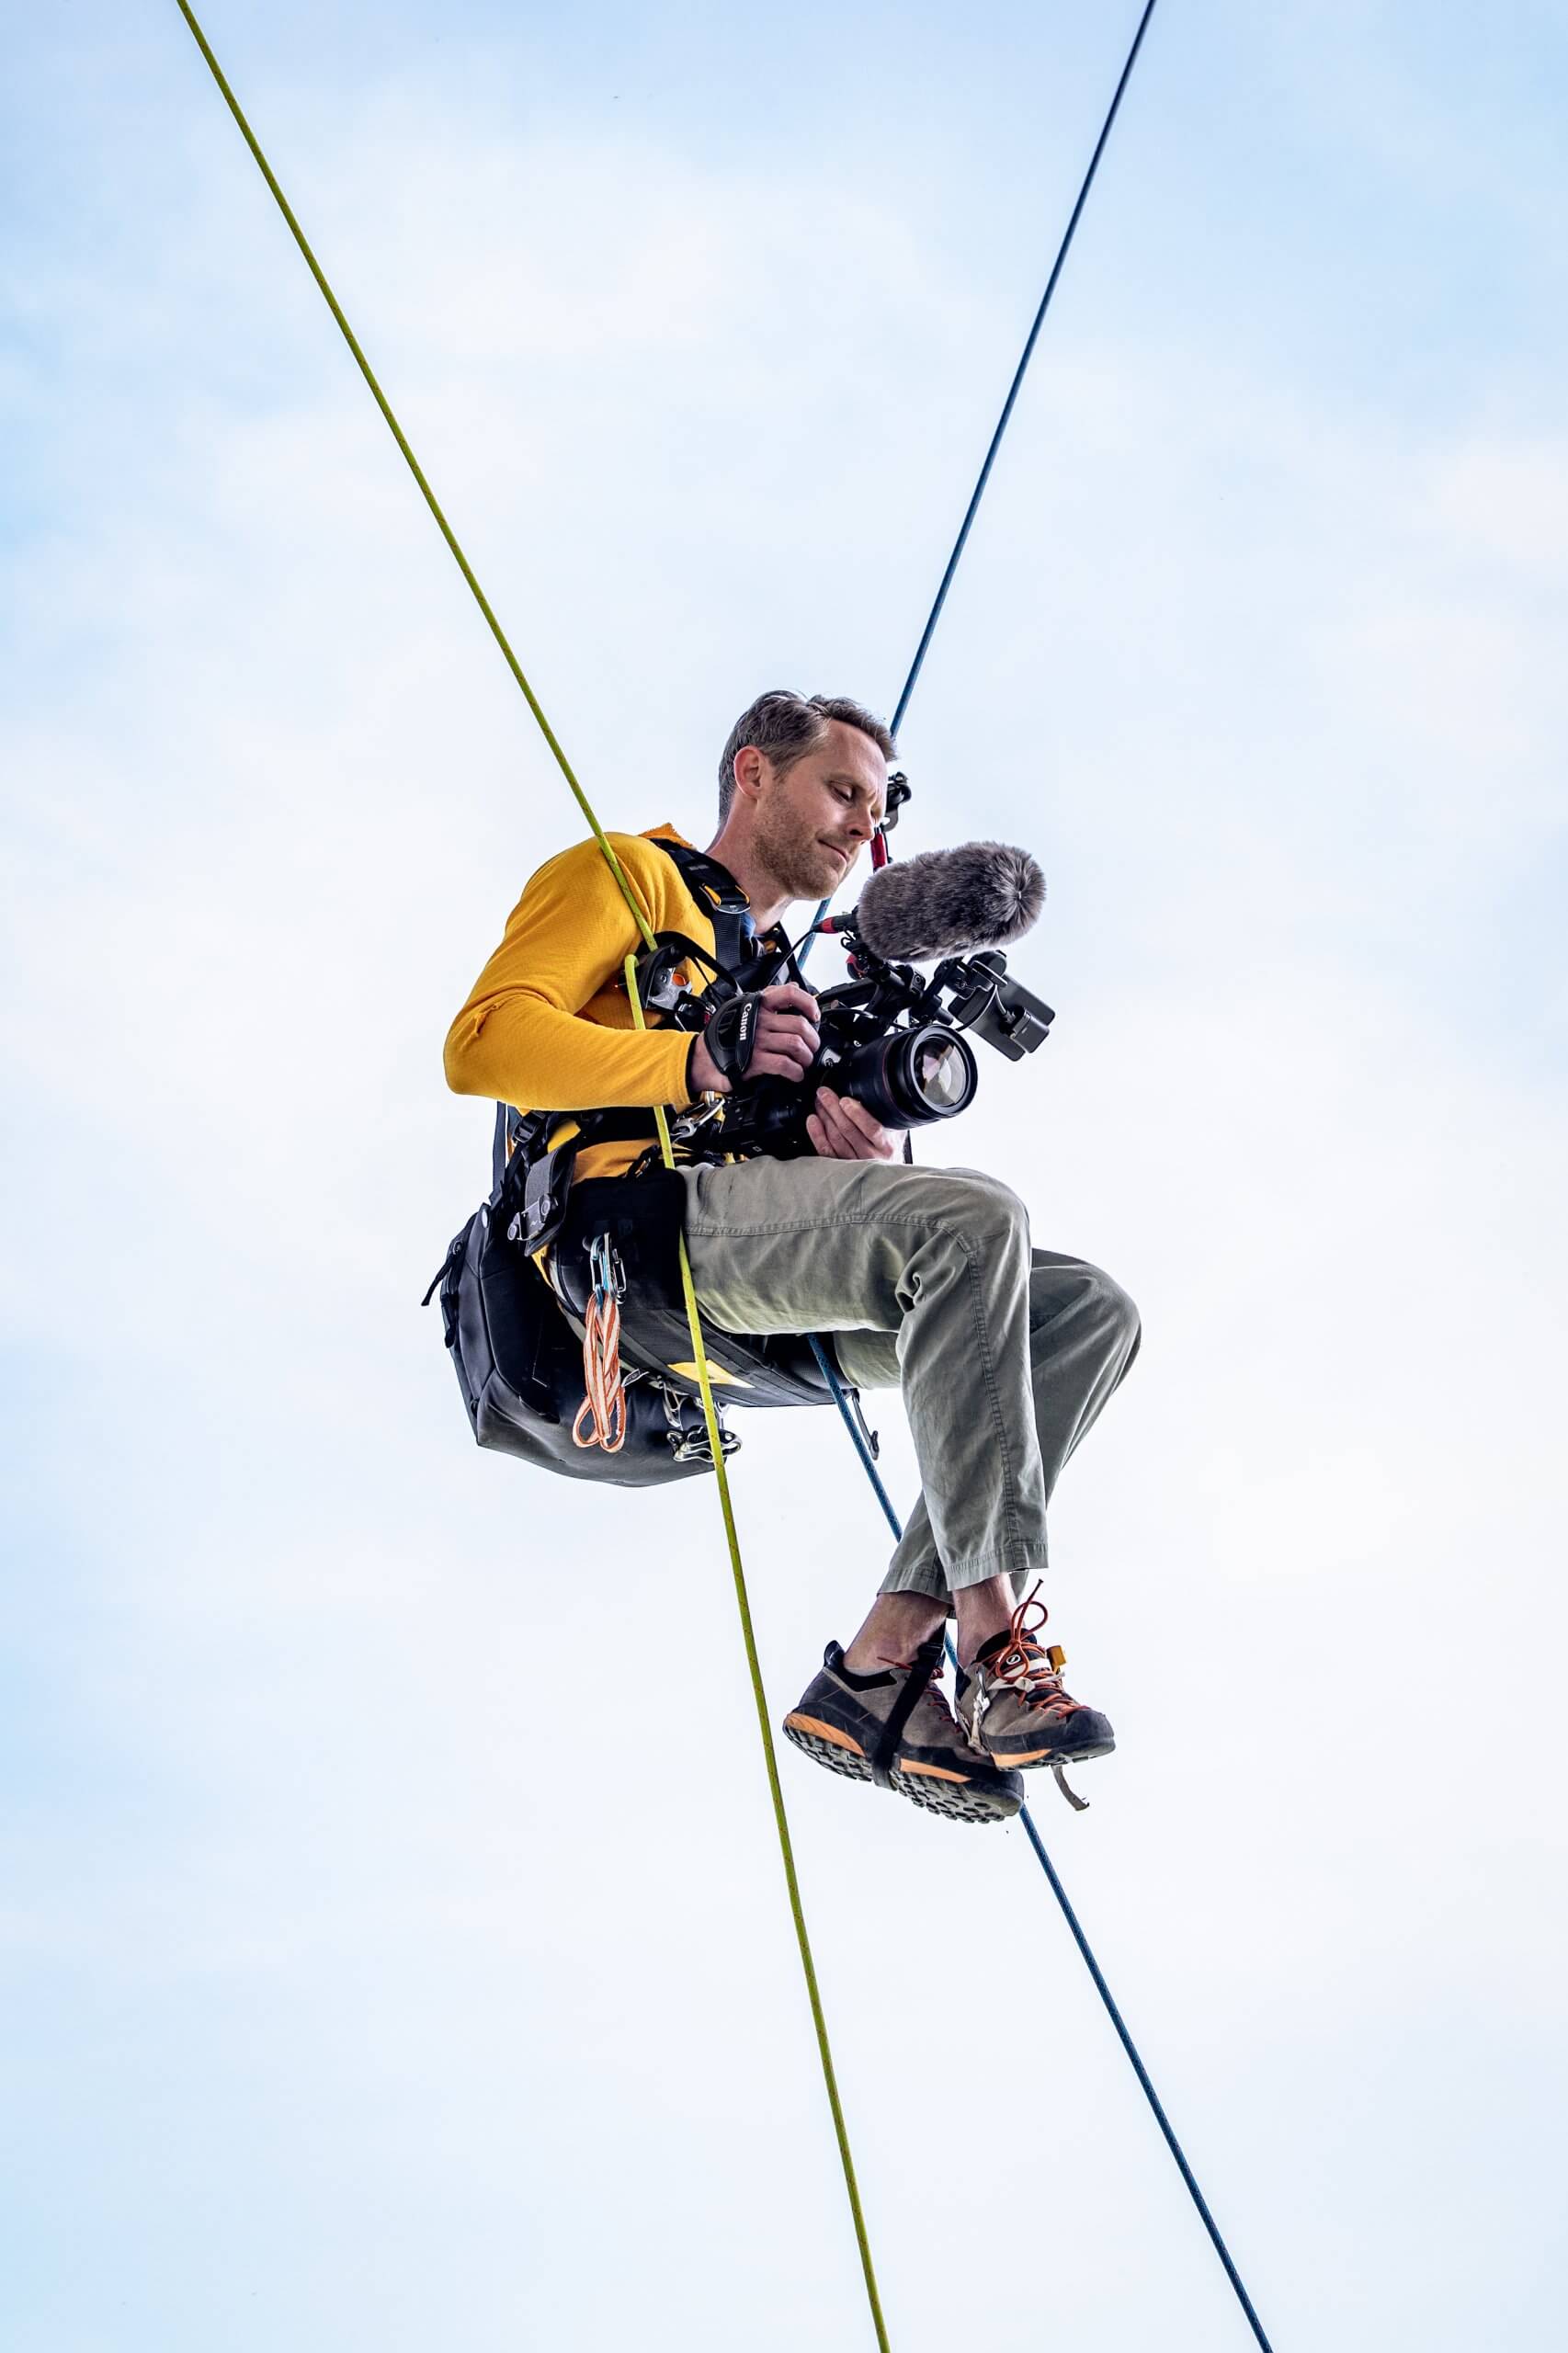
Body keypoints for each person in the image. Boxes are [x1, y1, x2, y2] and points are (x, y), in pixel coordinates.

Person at [444, 689, 1140, 1826]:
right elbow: (481, 1046)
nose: (862, 832)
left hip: (753, 1285)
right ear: (754, 774)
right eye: (843, 791)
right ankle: (990, 1641)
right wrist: (700, 1059)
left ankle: (877, 1664)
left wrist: (832, 1135)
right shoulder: (629, 875)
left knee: (1086, 1311)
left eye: (876, 813)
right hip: (635, 1245)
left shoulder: (785, 977)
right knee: (973, 1218)